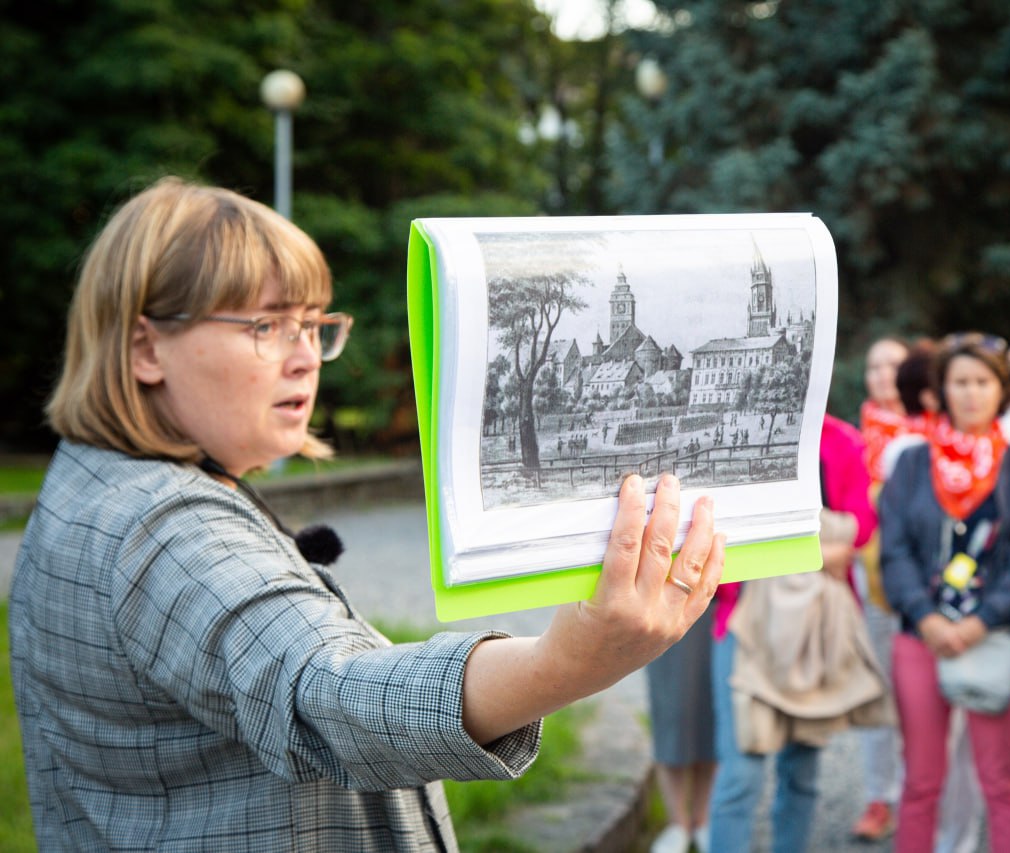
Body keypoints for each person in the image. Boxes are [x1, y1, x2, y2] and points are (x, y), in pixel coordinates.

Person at [8, 178, 726, 851]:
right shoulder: (160, 525)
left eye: (313, 325)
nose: (305, 358)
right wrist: (562, 663)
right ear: (145, 347)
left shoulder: (100, 485)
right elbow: (328, 691)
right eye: (266, 326)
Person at [879, 332, 1010, 853]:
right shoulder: (911, 464)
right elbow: (895, 550)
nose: (971, 394)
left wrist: (980, 621)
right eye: (960, 382)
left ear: (1001, 389)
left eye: (982, 382)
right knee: (922, 780)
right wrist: (927, 618)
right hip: (921, 634)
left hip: (991, 637)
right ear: (941, 390)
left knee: (1001, 780)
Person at [707, 413, 877, 853]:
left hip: (814, 625)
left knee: (802, 768)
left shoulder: (840, 440)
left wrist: (789, 550)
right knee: (740, 772)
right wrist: (820, 550)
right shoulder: (734, 427)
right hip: (747, 623)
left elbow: (862, 520)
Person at [851, 335, 911, 840]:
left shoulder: (934, 435)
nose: (882, 375)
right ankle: (880, 795)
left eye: (893, 366)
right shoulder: (855, 440)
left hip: (921, 582)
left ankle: (920, 793)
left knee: (923, 690)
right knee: (878, 689)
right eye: (874, 367)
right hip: (867, 579)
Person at [645, 614, 716, 853]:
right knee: (672, 716)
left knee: (712, 719)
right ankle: (678, 823)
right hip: (670, 604)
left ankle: (702, 819)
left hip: (725, 605)